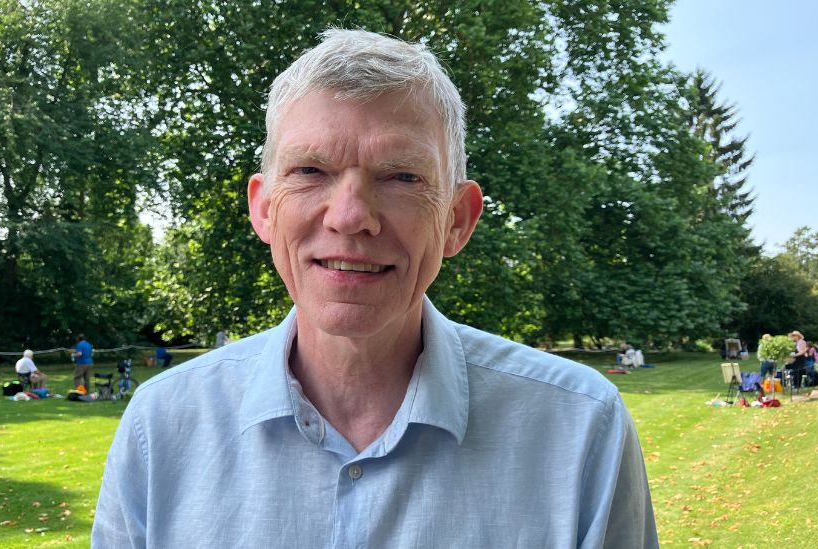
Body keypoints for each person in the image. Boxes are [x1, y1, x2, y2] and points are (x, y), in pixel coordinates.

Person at [92, 29, 658, 547]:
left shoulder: (581, 429)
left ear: (457, 220)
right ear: (264, 210)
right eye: (310, 171)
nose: (350, 216)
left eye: (402, 177)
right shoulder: (161, 427)